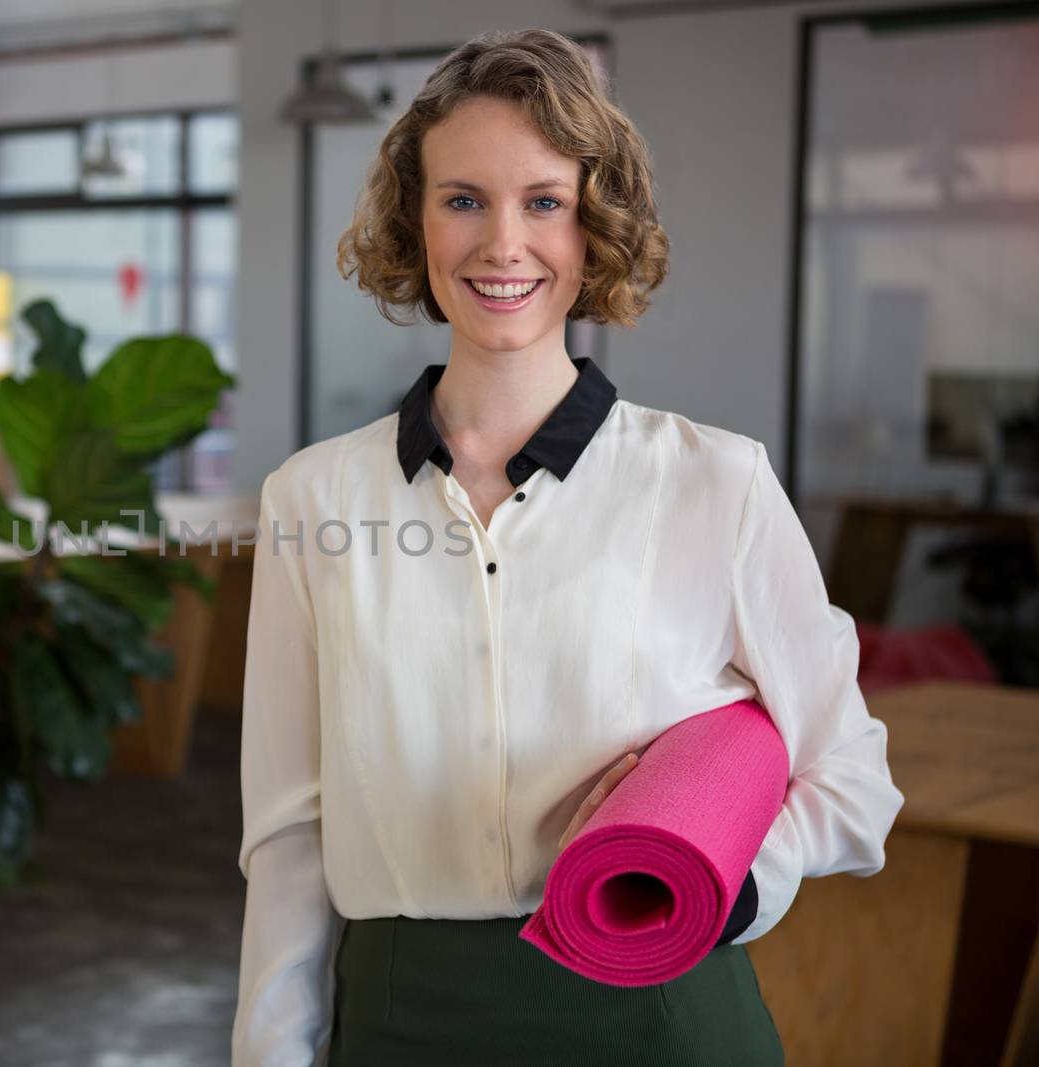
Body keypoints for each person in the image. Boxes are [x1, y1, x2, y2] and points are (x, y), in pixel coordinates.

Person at [230, 27, 904, 1067]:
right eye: (463, 198)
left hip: (660, 1011)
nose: (503, 244)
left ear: (593, 228)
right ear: (413, 221)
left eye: (543, 200)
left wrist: (716, 890)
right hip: (403, 1015)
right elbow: (286, 832)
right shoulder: (311, 498)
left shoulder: (713, 482)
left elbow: (851, 779)